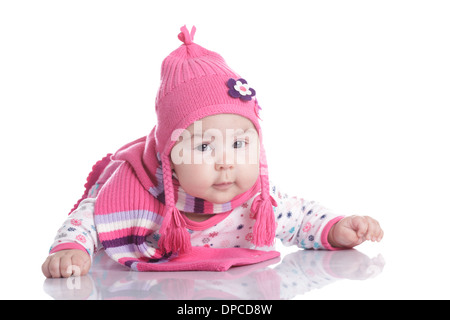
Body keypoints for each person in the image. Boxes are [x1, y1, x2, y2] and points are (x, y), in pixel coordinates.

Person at [42, 25, 383, 278]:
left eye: (239, 144)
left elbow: (302, 220)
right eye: (204, 146)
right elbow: (88, 219)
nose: (225, 162)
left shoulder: (257, 200)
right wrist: (71, 249)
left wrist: (338, 228)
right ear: (171, 157)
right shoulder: (138, 191)